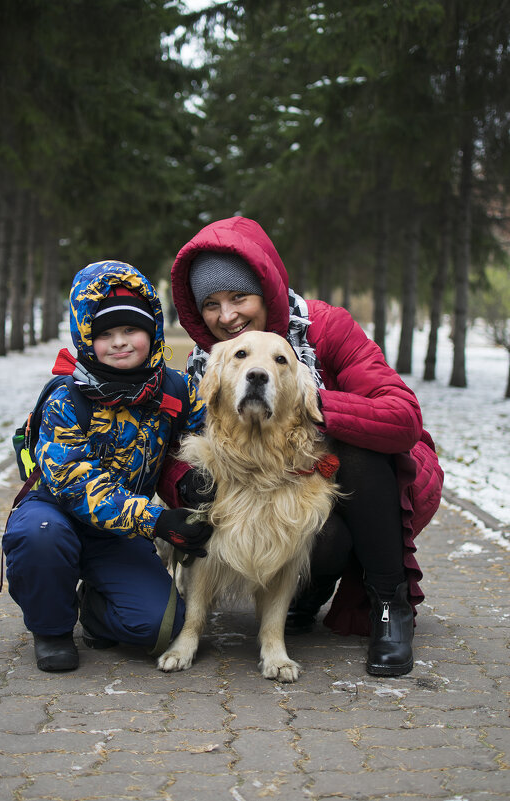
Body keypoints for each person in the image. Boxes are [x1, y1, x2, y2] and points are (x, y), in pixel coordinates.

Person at [164, 216, 444, 678]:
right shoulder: (205, 363)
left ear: (266, 290)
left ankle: (391, 607)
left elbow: (402, 417)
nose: (227, 316)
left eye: (239, 297)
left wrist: (310, 404)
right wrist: (184, 484)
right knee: (266, 518)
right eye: (211, 304)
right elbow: (173, 448)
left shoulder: (325, 326)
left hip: (373, 483)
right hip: (279, 489)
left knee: (357, 452)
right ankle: (304, 593)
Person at [2, 260, 213, 673]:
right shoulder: (68, 397)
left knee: (161, 629)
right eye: (104, 335)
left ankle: (95, 606)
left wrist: (193, 484)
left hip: (118, 533)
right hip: (55, 512)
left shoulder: (176, 389)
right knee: (39, 536)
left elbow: (204, 441)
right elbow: (74, 484)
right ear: (86, 337)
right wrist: (156, 520)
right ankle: (52, 628)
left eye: (130, 331)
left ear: (152, 330)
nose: (119, 343)